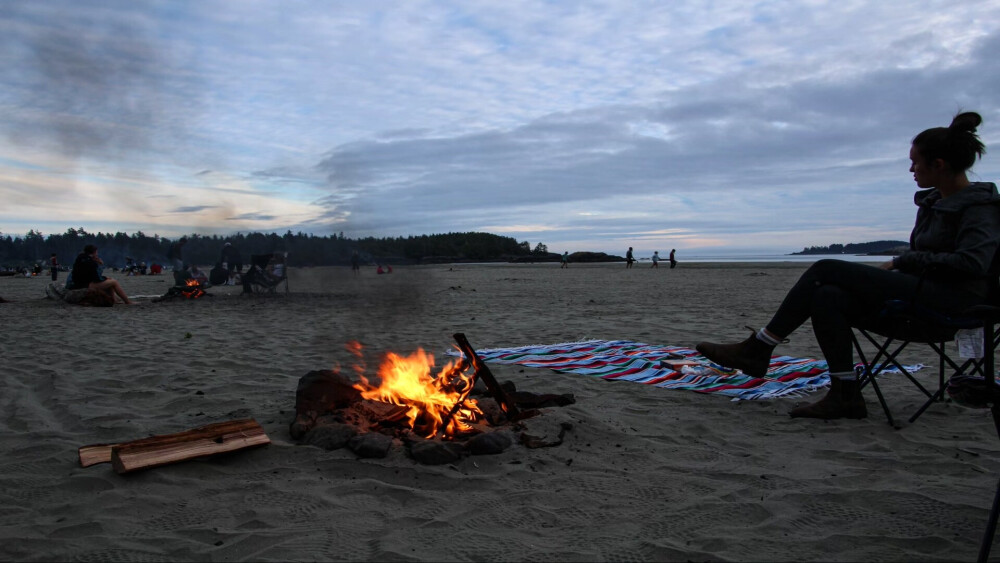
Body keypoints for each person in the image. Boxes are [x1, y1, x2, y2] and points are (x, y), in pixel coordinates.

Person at [695, 111, 998, 420]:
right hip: (922, 296)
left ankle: (758, 348)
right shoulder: (934, 203)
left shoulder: (980, 208)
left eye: (915, 162)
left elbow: (972, 263)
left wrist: (902, 260)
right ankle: (845, 394)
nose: (911, 169)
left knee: (826, 267)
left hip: (958, 307)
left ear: (939, 165)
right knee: (827, 295)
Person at [69, 244, 135, 305]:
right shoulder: (91, 263)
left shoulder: (80, 258)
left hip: (77, 282)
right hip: (84, 285)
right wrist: (99, 264)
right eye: (96, 252)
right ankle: (127, 301)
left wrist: (105, 278)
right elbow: (97, 278)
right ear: (94, 252)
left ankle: (114, 300)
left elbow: (87, 274)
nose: (97, 254)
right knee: (114, 282)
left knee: (109, 281)